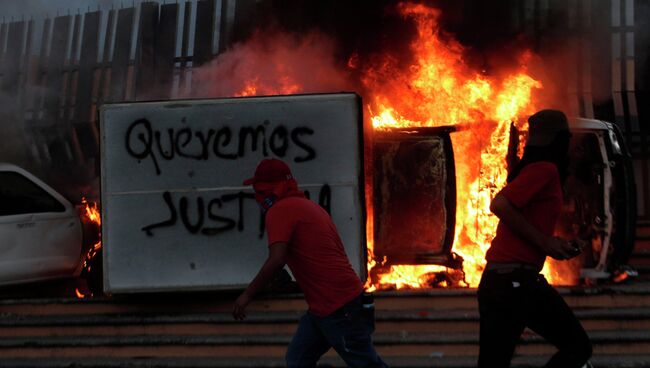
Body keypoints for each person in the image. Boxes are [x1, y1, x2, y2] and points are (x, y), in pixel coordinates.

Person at [233, 158, 387, 368]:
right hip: (329, 306)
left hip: (340, 307)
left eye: (258, 190)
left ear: (270, 190)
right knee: (298, 360)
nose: (257, 197)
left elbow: (276, 258)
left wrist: (247, 295)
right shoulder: (309, 207)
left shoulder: (279, 211)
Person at [478, 110, 593, 368]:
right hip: (515, 282)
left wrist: (557, 244)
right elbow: (500, 204)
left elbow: (529, 224)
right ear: (560, 140)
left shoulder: (532, 168)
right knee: (578, 346)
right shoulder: (545, 169)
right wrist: (545, 242)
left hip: (498, 282)